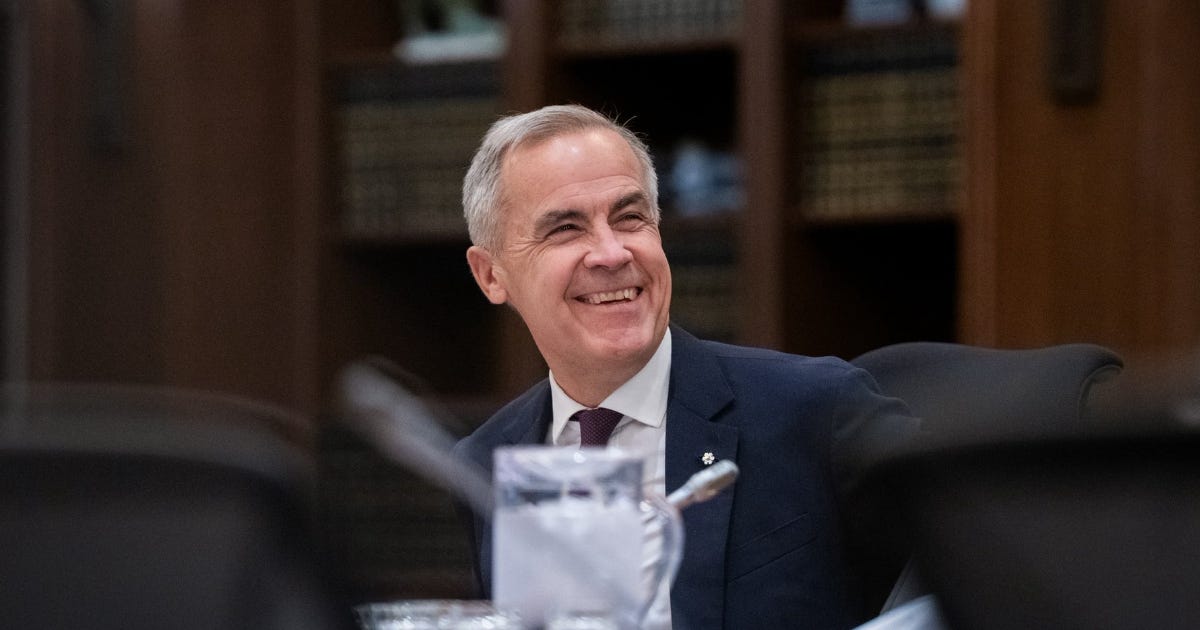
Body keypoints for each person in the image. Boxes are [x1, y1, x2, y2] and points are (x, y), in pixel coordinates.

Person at [452, 104, 918, 629]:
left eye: (630, 218)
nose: (611, 253)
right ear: (491, 275)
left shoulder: (814, 410)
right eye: (565, 228)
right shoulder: (488, 459)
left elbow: (974, 560)